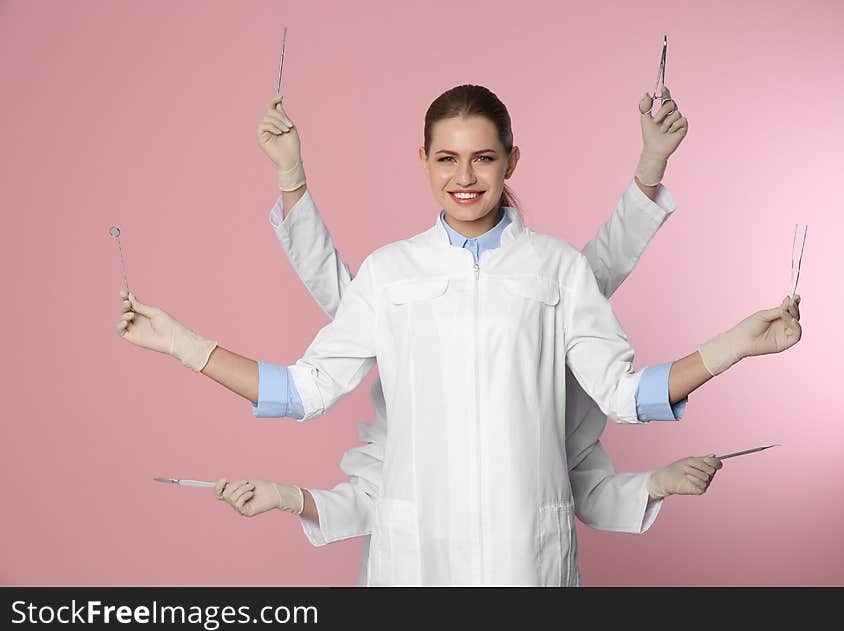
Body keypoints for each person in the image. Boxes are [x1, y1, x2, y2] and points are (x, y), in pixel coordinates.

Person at [117, 84, 801, 585]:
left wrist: (733, 344)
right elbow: (304, 387)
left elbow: (625, 391)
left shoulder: (555, 268)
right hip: (415, 560)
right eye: (446, 159)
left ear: (511, 160)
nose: (464, 177)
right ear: (423, 161)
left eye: (482, 158)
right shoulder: (391, 272)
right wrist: (184, 343)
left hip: (524, 559)